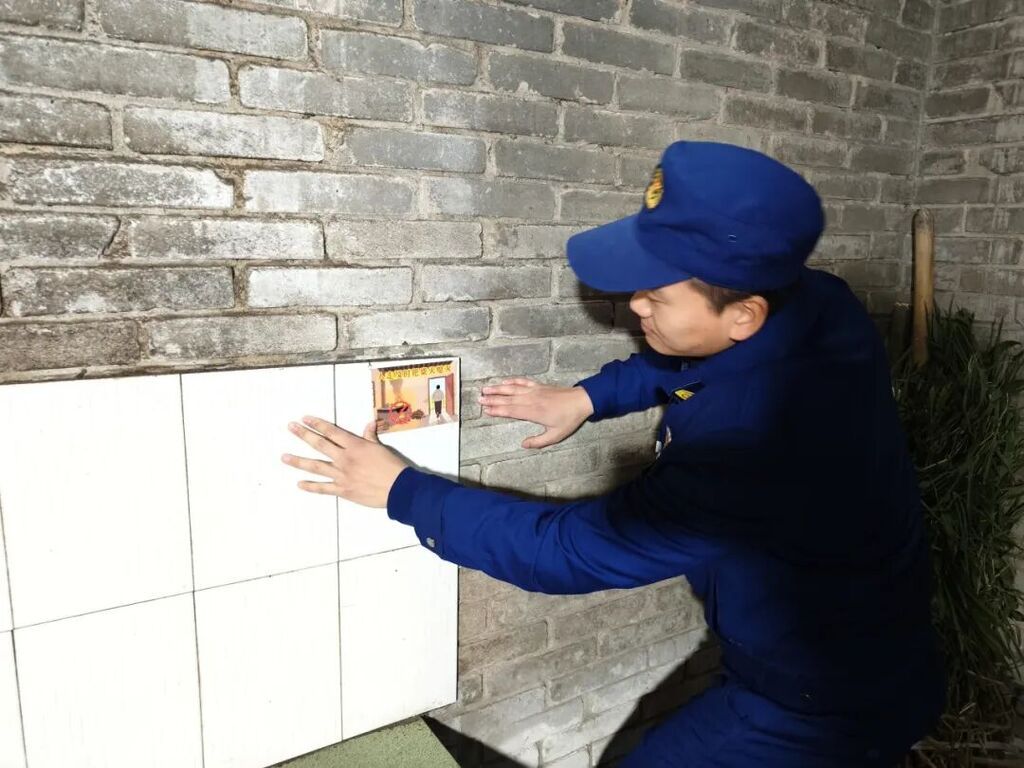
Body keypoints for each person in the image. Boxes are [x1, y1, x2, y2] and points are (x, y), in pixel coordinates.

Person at [281, 141, 946, 766]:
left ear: (743, 313)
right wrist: (588, 397)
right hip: (880, 648)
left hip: (820, 703)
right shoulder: (814, 303)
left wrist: (401, 490)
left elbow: (568, 550)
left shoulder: (749, 455)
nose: (635, 305)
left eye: (657, 295)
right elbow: (699, 362)